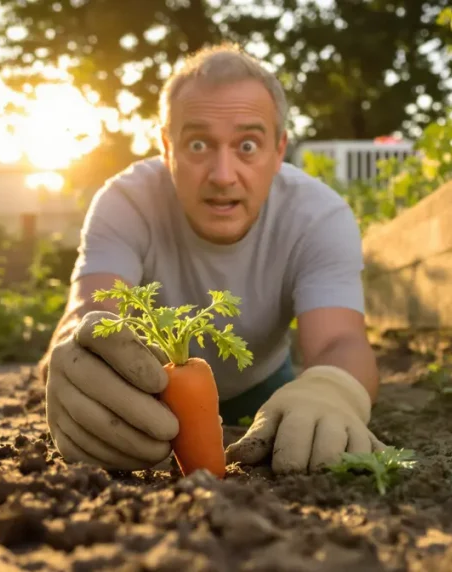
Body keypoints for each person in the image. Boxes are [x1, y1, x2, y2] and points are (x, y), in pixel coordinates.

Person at [40, 41, 388, 476]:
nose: (223, 176)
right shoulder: (125, 202)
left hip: (265, 387)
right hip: (150, 398)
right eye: (199, 144)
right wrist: (75, 362)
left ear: (279, 150)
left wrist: (332, 389)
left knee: (302, 421)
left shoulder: (319, 216)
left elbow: (340, 340)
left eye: (248, 146)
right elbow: (91, 313)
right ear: (167, 148)